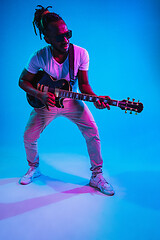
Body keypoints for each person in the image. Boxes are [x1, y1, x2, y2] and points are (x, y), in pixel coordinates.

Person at [19, 5, 115, 196]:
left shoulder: (81, 53)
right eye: (59, 37)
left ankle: (97, 176)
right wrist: (40, 95)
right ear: (47, 39)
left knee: (93, 132)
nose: (66, 39)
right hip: (47, 102)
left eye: (67, 33)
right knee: (29, 136)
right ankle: (34, 168)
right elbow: (23, 81)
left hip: (71, 101)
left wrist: (96, 99)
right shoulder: (39, 57)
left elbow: (85, 86)